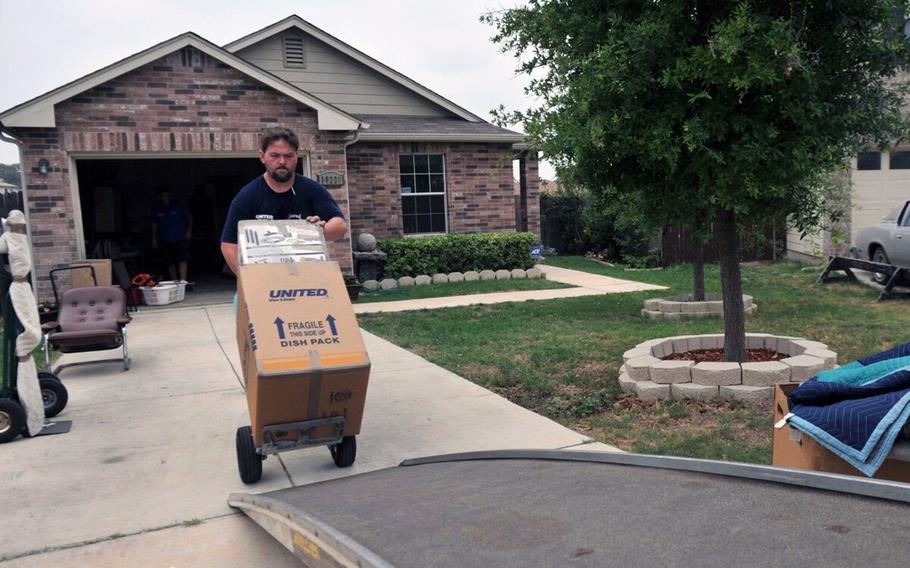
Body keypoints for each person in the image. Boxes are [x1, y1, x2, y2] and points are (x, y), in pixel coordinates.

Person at [220, 127, 347, 274]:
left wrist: (316, 232)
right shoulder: (247, 196)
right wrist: (246, 279)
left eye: (288, 156)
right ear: (262, 156)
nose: (282, 161)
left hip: (305, 276)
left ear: (296, 156)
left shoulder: (312, 189)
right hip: (264, 276)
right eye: (274, 155)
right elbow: (228, 243)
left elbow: (340, 225)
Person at [152, 190, 192, 281]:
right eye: (164, 195)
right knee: (170, 262)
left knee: (182, 259)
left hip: (180, 238)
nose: (166, 197)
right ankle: (175, 281)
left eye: (167, 195)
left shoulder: (178, 206)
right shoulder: (157, 209)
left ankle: (183, 281)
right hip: (165, 239)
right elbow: (154, 224)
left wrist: (189, 231)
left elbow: (189, 217)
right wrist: (154, 238)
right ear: (160, 197)